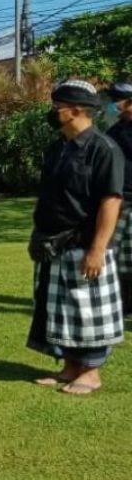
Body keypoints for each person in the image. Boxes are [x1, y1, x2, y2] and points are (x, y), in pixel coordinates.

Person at [28, 80, 125, 396]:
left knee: (86, 308)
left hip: (84, 242)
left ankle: (91, 372)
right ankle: (70, 367)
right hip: (54, 241)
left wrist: (97, 249)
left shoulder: (103, 149)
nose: (52, 113)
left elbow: (110, 201)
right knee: (59, 307)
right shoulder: (59, 147)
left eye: (57, 108)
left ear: (77, 110)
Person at [107, 82, 132, 311]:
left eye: (116, 100)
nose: (112, 105)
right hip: (119, 198)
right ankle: (123, 302)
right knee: (117, 252)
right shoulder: (113, 132)